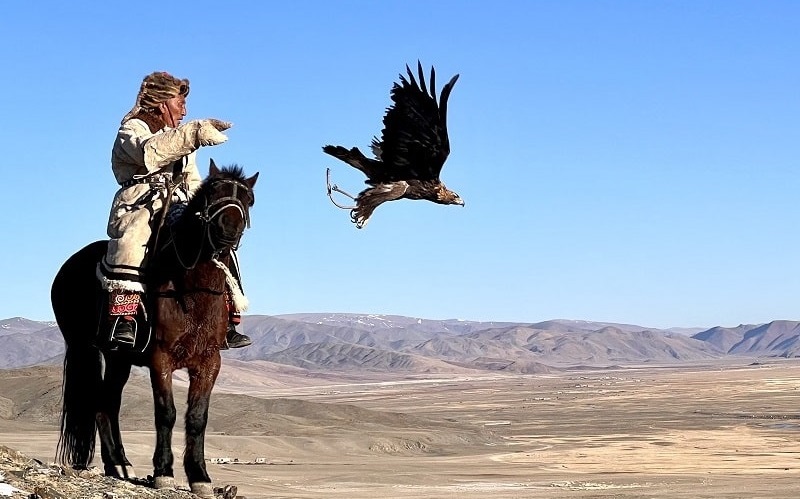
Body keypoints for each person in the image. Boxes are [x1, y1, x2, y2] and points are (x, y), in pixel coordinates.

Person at [98, 71, 252, 349]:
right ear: (161, 103)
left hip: (179, 201)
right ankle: (123, 317)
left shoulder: (179, 137)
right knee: (132, 240)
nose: (184, 110)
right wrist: (192, 133)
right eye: (179, 103)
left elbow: (192, 179)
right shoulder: (132, 129)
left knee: (218, 239)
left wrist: (201, 207)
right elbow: (151, 153)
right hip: (141, 199)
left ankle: (228, 316)